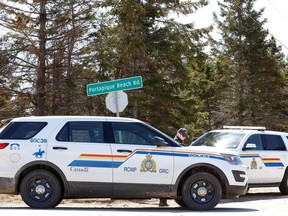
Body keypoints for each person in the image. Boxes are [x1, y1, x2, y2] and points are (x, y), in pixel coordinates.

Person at [159, 128, 189, 207]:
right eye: (183, 135)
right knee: (167, 181)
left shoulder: (179, 141)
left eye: (185, 135)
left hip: (173, 164)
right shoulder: (176, 141)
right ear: (178, 133)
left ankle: (163, 202)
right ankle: (162, 201)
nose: (184, 137)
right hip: (171, 164)